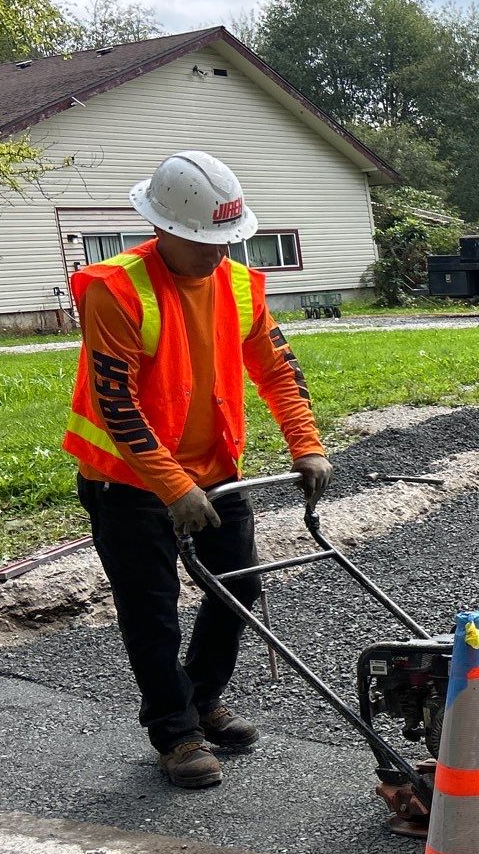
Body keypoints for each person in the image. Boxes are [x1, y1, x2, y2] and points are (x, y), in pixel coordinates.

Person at [62, 151, 333, 790]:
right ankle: (175, 732)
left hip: (214, 468)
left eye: (227, 241)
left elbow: (277, 370)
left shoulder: (238, 286)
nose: (221, 254)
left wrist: (307, 444)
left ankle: (203, 697)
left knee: (239, 585)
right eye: (207, 243)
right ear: (166, 229)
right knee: (150, 607)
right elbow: (116, 402)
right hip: (125, 480)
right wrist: (171, 485)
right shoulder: (117, 289)